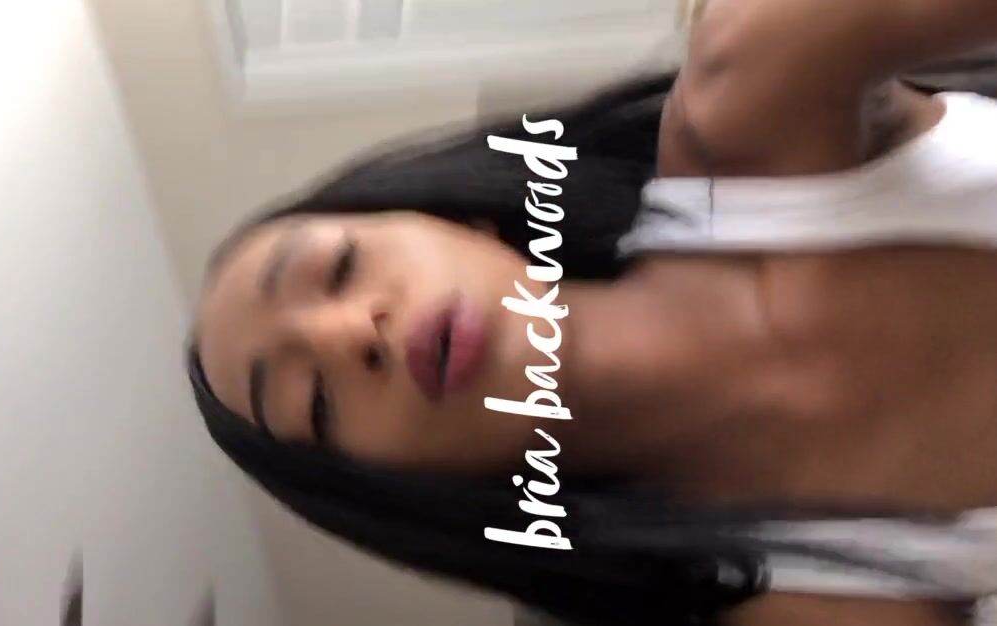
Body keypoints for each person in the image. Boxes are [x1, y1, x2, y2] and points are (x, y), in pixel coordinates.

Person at [189, 1, 997, 624]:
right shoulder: (798, 602)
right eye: (317, 402)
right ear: (396, 482)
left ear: (455, 220)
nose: (351, 335)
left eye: (340, 269)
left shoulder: (747, 85)